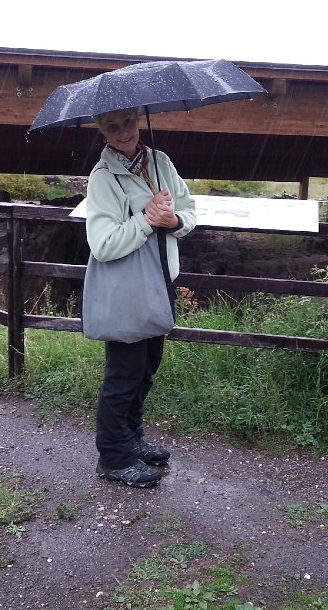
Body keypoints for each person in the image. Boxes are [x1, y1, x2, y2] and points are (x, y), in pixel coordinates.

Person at [85, 107, 197, 488]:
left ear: (138, 120)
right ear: (102, 132)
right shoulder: (103, 178)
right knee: (123, 375)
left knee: (146, 368)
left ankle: (131, 439)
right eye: (112, 127)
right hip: (126, 289)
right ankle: (113, 457)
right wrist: (147, 220)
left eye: (128, 122)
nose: (123, 132)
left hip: (159, 283)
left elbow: (188, 211)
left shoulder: (160, 162)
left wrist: (174, 221)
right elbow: (103, 244)